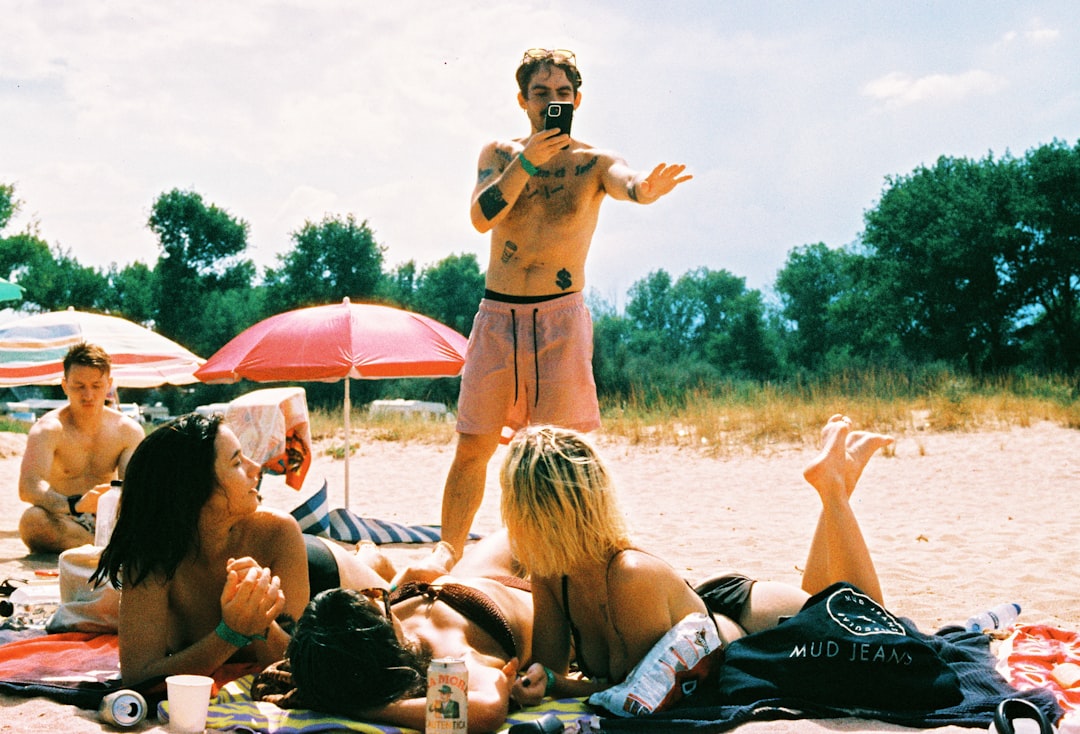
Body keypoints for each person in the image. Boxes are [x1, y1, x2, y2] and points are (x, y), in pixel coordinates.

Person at [435, 48, 693, 564]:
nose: (551, 101)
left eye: (561, 93)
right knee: (473, 447)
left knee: (562, 454)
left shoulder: (594, 162)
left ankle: (568, 562)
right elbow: (481, 216)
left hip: (560, 318)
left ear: (577, 98)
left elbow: (627, 183)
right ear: (522, 100)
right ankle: (447, 555)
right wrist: (529, 160)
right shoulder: (499, 154)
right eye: (540, 93)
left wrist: (647, 189)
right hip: (499, 315)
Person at [502, 415, 894, 705]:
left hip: (750, 629)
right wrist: (537, 681)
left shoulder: (628, 576)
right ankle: (837, 484)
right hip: (714, 613)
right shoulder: (553, 574)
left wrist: (557, 684)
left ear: (528, 512)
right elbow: (549, 674)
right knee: (825, 605)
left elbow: (641, 692)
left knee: (879, 632)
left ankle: (835, 491)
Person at [92, 413, 307, 686]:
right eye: (238, 462)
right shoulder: (152, 555)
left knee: (370, 571)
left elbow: (294, 667)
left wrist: (263, 622)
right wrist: (232, 633)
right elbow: (138, 675)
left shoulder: (278, 533)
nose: (256, 468)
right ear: (194, 490)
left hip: (320, 565)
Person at [258, 530, 533, 733]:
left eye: (374, 596)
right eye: (380, 607)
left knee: (516, 524)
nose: (380, 599)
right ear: (387, 641)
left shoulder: (331, 651)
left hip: (465, 578)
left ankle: (425, 557)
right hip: (519, 594)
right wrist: (368, 707)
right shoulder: (449, 658)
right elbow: (487, 707)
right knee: (534, 520)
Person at [18, 342, 145, 553]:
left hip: (110, 519)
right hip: (66, 517)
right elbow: (29, 488)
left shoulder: (127, 430)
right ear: (65, 385)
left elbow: (133, 487)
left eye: (96, 386)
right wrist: (75, 505)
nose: (88, 395)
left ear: (109, 384)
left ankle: (103, 545)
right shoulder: (48, 429)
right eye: (79, 386)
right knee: (32, 522)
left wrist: (113, 507)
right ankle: (104, 548)